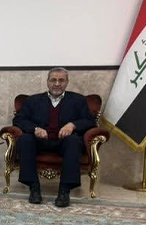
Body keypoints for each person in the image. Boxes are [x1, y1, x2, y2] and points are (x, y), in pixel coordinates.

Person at [13, 67, 94, 208]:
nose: (57, 84)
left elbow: (89, 121)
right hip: (40, 141)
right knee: (25, 140)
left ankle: (64, 192)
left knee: (74, 141)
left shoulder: (78, 100)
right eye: (53, 80)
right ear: (47, 82)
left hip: (64, 142)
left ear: (67, 82)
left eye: (61, 80)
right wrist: (35, 129)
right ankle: (34, 188)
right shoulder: (33, 100)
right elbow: (18, 120)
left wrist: (73, 125)